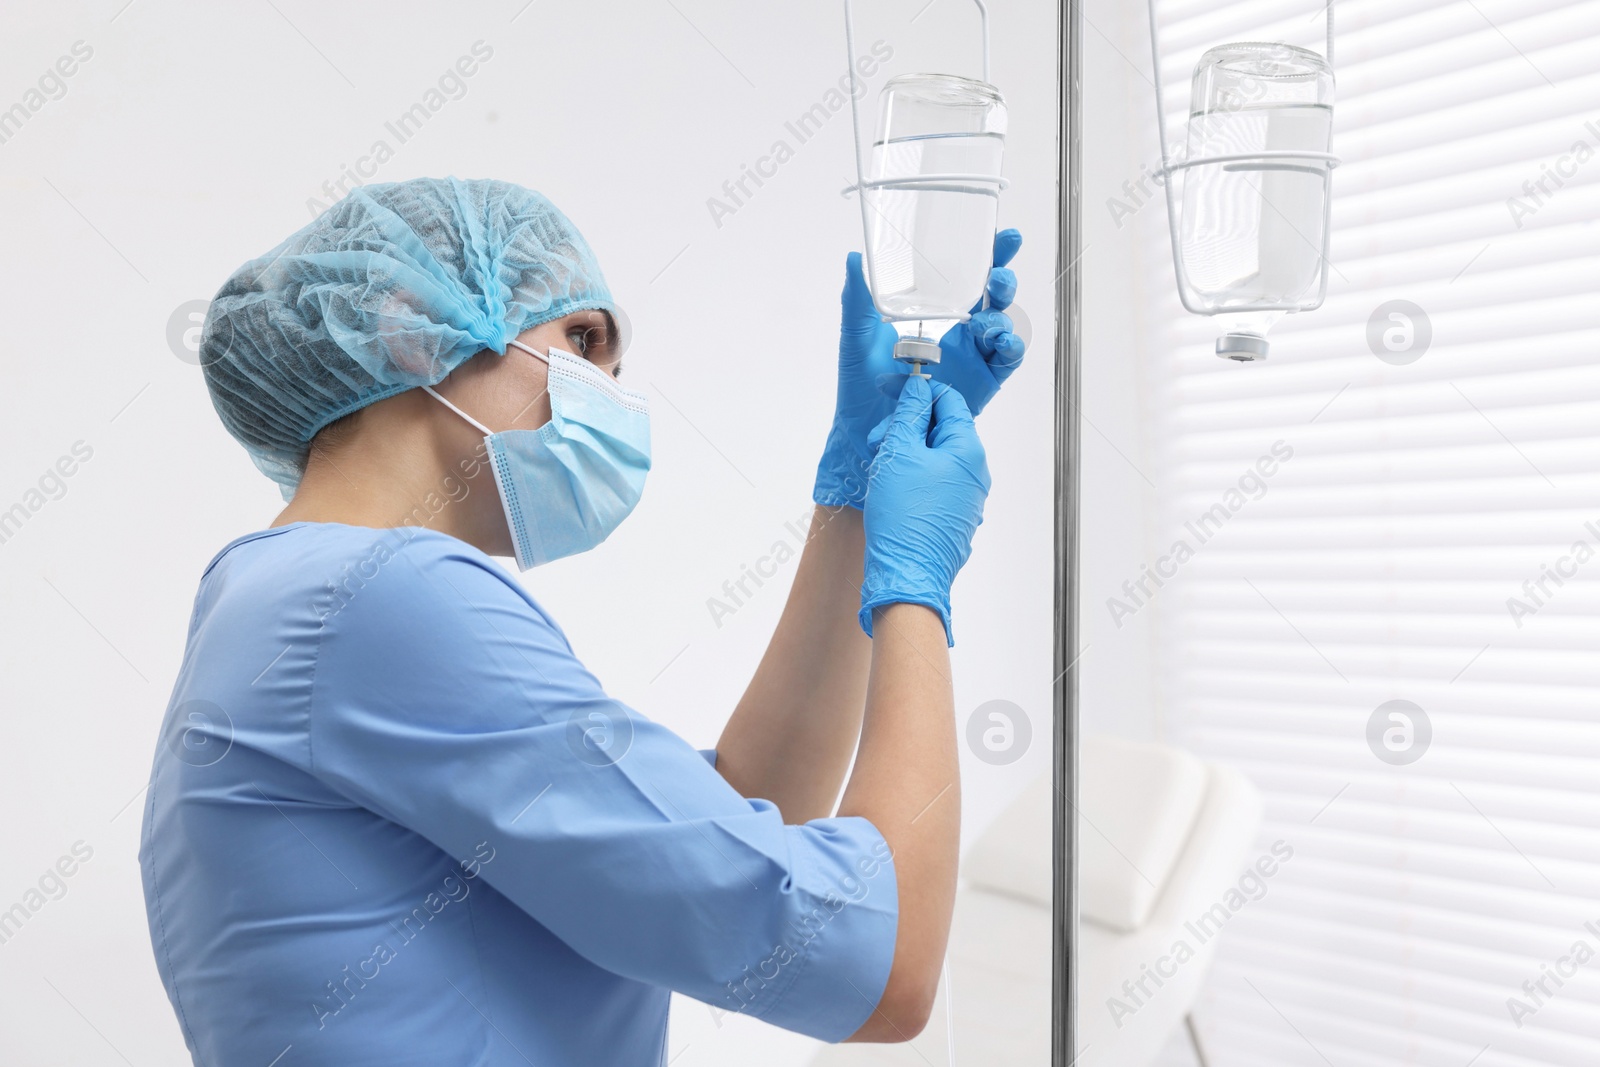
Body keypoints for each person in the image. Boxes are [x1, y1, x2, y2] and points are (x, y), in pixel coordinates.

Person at [138, 176, 1024, 1066]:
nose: (606, 390)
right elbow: (878, 959)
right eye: (582, 339)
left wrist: (860, 504)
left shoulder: (285, 593)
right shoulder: (382, 594)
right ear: (410, 330)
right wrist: (916, 586)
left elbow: (720, 847)